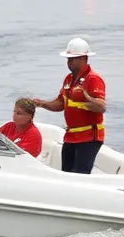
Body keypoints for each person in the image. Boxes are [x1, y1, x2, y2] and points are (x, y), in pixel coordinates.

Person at [33, 36, 106, 174]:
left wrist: (88, 99)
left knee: (79, 174)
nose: (69, 62)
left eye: (72, 59)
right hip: (71, 137)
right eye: (68, 59)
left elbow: (101, 107)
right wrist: (42, 104)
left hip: (89, 137)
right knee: (66, 173)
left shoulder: (93, 79)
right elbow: (61, 104)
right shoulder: (69, 79)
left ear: (84, 58)